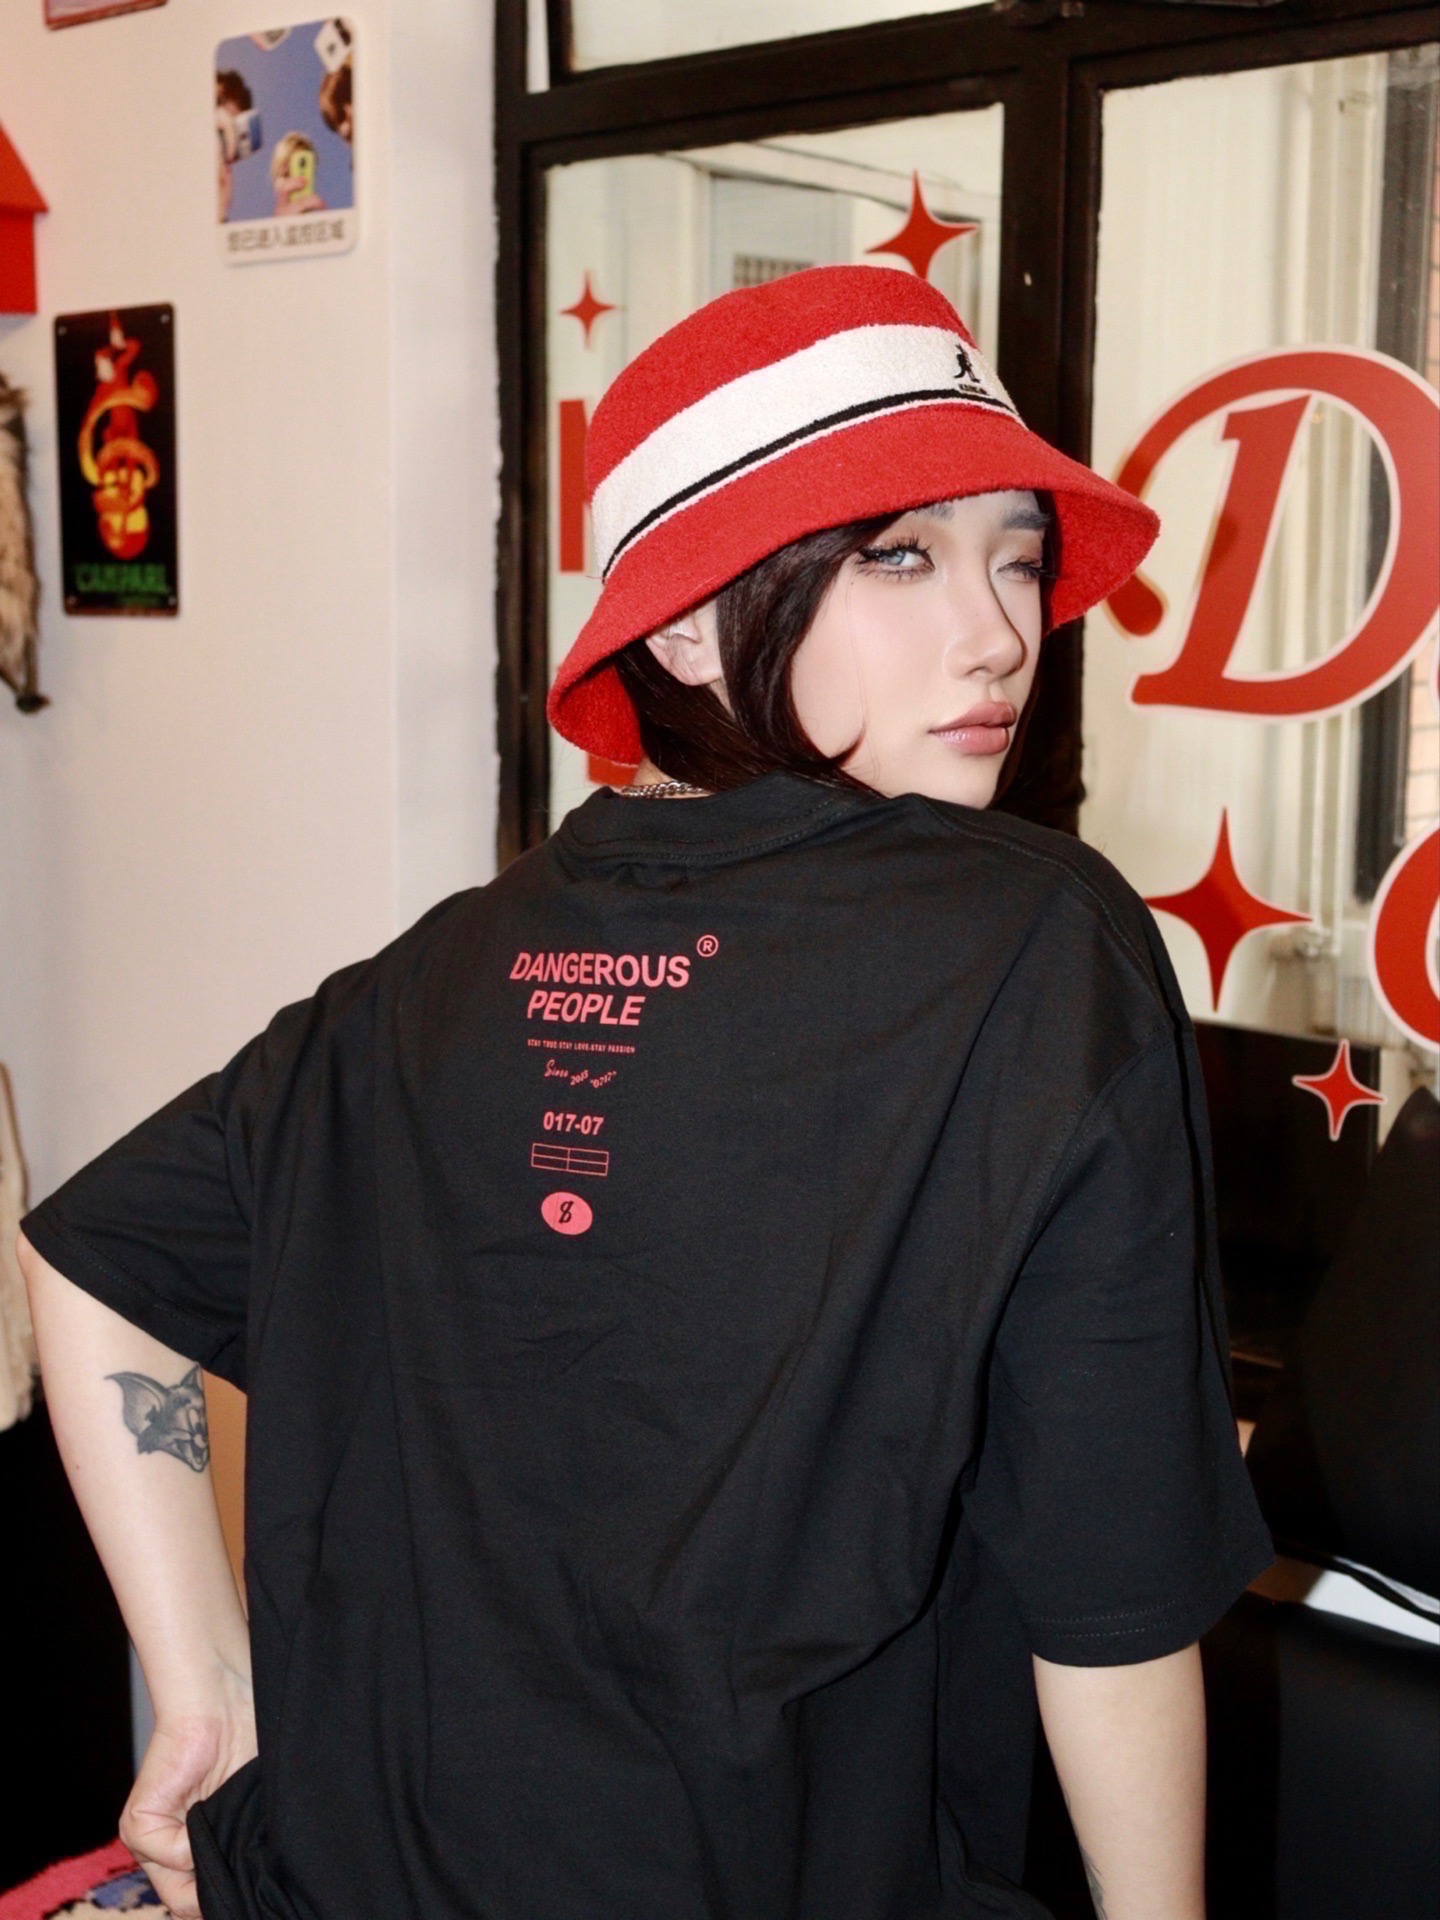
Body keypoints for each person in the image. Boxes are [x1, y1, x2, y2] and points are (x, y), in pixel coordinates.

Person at [20, 266, 1270, 1920]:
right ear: (683, 621)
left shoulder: (442, 968)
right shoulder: (1035, 943)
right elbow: (1114, 1601)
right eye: (899, 555)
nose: (998, 632)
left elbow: (87, 1260)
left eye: (1019, 557)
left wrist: (206, 1695)